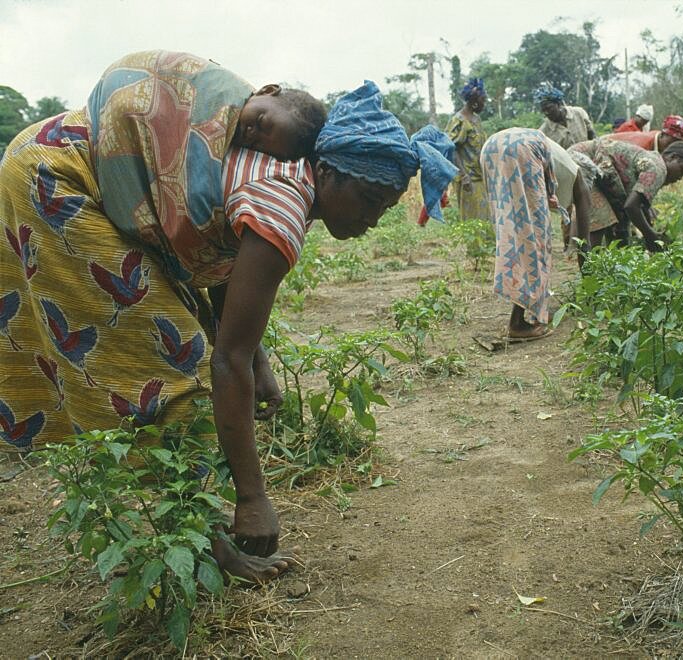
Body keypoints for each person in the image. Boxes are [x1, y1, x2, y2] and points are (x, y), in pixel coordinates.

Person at [0, 47, 456, 582]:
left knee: (177, 340)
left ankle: (184, 531)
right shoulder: (283, 207)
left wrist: (258, 360)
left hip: (56, 149)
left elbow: (220, 258)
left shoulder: (288, 173)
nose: (375, 219)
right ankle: (202, 549)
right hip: (59, 176)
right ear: (328, 173)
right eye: (371, 199)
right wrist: (254, 497)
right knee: (172, 367)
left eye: (385, 206)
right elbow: (226, 361)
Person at [480, 128, 592, 341]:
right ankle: (518, 323)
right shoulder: (580, 182)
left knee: (511, 232)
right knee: (534, 240)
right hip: (523, 150)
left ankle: (529, 306)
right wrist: (591, 285)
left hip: (492, 146)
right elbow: (583, 242)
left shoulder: (563, 164)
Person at [569, 138, 683, 251]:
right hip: (582, 161)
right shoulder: (659, 168)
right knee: (599, 222)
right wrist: (649, 235)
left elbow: (636, 205)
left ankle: (612, 272)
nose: (680, 177)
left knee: (621, 228)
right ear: (672, 157)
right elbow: (631, 206)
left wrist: (650, 226)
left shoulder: (653, 161)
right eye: (681, 170)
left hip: (586, 164)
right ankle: (589, 274)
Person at [445, 78, 490, 221]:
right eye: (483, 100)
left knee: (485, 219)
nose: (484, 104)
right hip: (468, 179)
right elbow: (451, 149)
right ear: (474, 102)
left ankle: (487, 244)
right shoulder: (459, 121)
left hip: (480, 177)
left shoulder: (476, 119)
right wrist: (464, 176)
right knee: (472, 220)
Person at [535, 83, 595, 150]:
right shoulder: (544, 131)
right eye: (544, 110)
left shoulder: (579, 113)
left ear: (558, 104)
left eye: (549, 108)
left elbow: (591, 133)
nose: (547, 112)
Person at [608, 113, 683, 153]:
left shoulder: (660, 141)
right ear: (662, 134)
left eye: (678, 144)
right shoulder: (641, 146)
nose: (673, 147)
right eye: (671, 142)